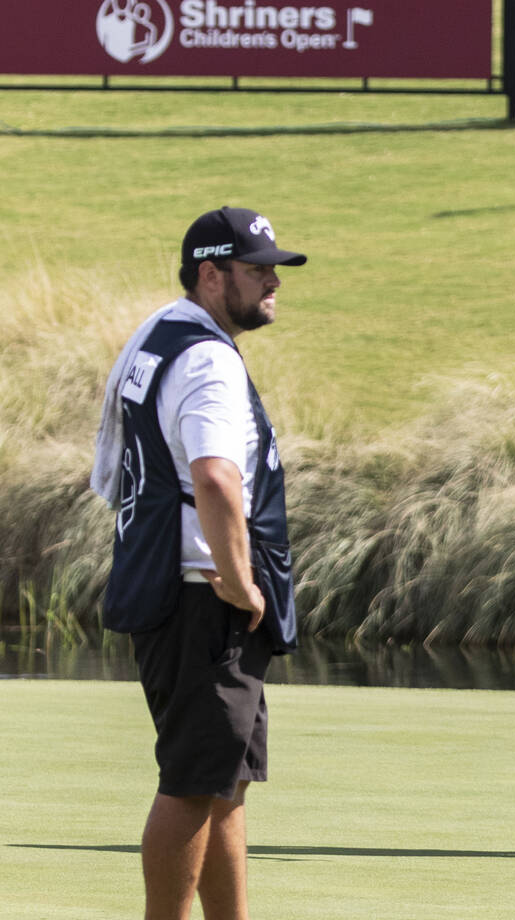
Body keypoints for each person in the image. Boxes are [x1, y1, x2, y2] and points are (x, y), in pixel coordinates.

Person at [91, 206, 306, 918]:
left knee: (223, 781)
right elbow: (216, 478)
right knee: (192, 782)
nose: (272, 282)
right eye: (256, 270)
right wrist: (240, 579)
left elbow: (112, 473)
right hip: (203, 598)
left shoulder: (157, 330)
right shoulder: (209, 359)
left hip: (168, 584)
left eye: (274, 268)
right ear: (211, 275)